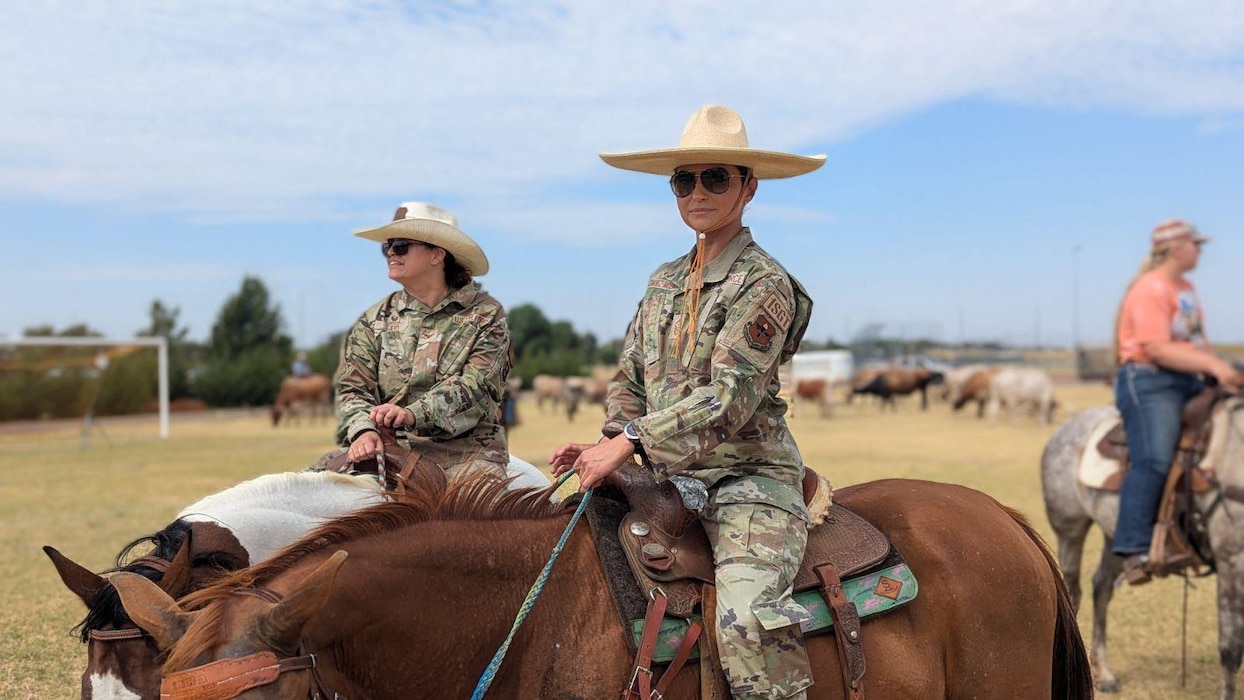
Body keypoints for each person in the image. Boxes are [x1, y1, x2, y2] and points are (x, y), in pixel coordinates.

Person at [551, 105, 824, 700]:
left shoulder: (764, 283)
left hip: (747, 478)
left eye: (716, 178)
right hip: (664, 476)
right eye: (684, 179)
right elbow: (629, 376)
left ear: (748, 188)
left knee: (747, 621)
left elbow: (729, 398)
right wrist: (612, 441)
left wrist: (632, 441)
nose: (697, 192)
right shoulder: (662, 280)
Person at [335, 202, 511, 478]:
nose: (391, 252)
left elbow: (475, 387)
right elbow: (353, 388)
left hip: (465, 455)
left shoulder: (486, 315)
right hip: (387, 449)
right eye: (387, 247)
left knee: (466, 517)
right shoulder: (373, 319)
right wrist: (363, 431)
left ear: (437, 255)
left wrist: (413, 414)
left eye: (402, 245)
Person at [1113, 218, 1240, 585]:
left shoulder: (1186, 287)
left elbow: (1196, 343)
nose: (1200, 251)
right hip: (1149, 380)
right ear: (1176, 250)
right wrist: (1211, 364)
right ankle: (1134, 548)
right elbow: (1156, 348)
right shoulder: (1150, 288)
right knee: (1153, 458)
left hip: (1186, 376)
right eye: (1195, 244)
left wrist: (1219, 372)